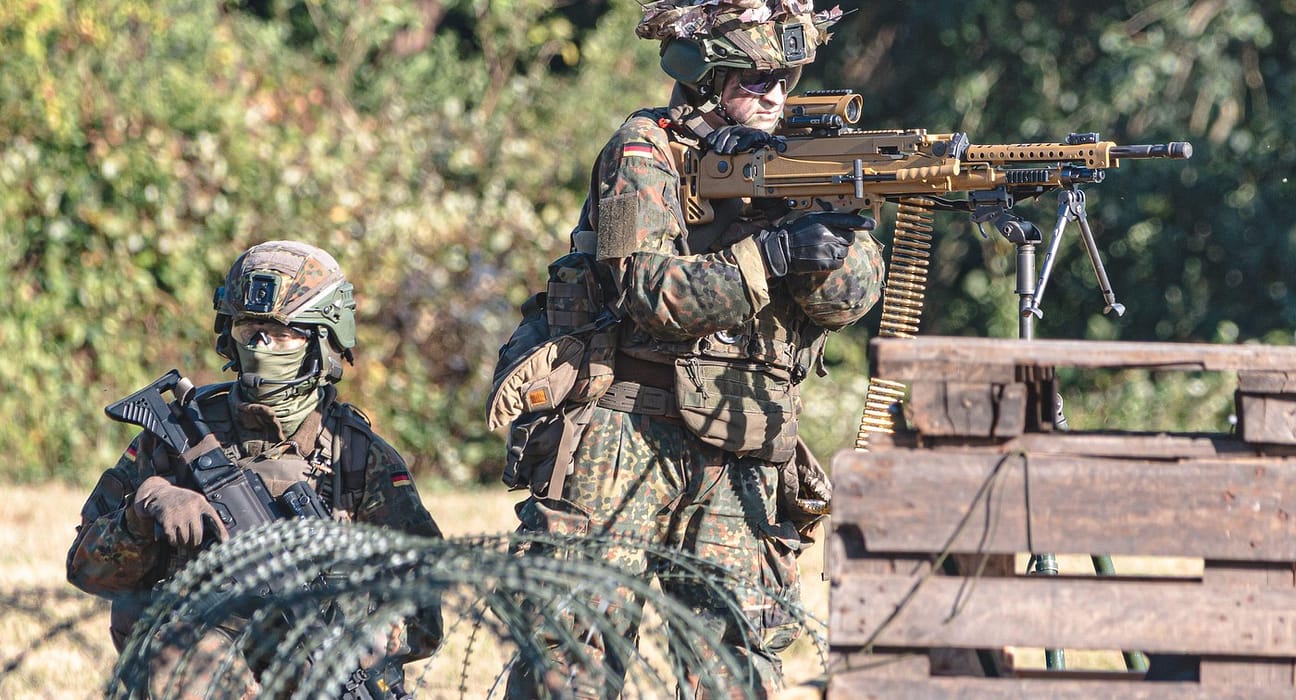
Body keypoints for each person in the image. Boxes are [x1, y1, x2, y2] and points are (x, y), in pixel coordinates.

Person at [495, 1, 885, 697]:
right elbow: (650, 292)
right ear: (703, 79)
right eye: (751, 79)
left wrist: (806, 227)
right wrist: (767, 253)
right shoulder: (644, 150)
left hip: (741, 438)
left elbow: (846, 301)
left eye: (783, 79)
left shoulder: (799, 160)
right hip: (625, 427)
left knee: (735, 661)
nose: (772, 96)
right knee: (575, 656)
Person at [66, 240, 444, 698]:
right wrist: (145, 511)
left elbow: (425, 607)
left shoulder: (358, 457)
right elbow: (86, 570)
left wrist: (368, 634)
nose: (263, 345)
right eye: (250, 329)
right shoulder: (176, 435)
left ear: (323, 341)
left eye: (283, 333)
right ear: (229, 335)